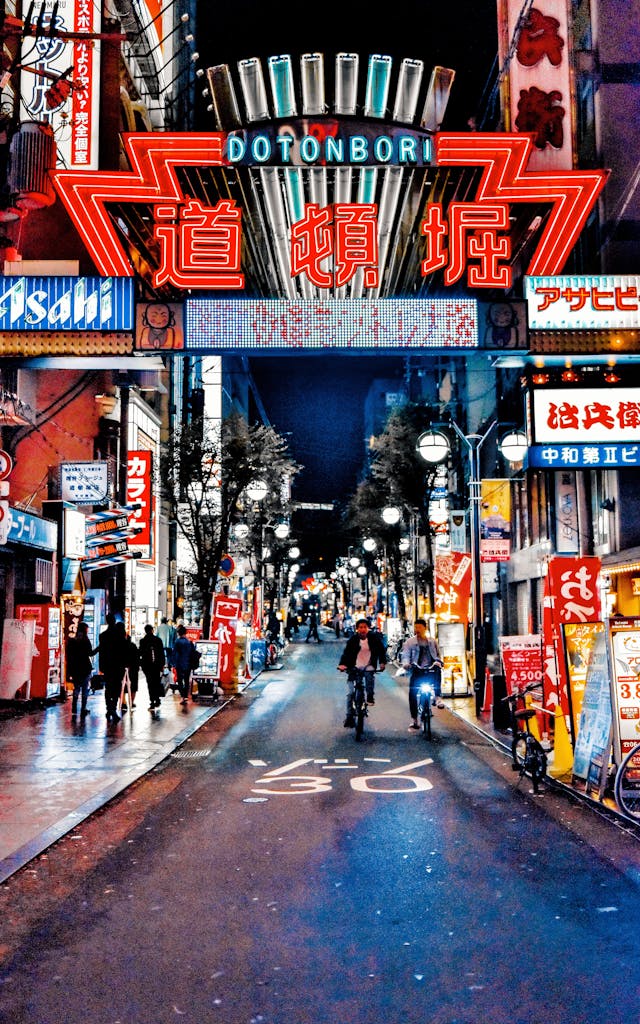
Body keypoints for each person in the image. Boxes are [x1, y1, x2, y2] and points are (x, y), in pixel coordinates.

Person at [338, 618, 387, 727]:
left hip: (368, 666)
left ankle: (370, 697)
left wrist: (382, 663)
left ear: (368, 628)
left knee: (369, 680)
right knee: (351, 693)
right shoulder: (353, 640)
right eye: (360, 627)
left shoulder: (374, 638)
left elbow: (381, 651)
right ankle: (349, 716)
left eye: (365, 627)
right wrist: (342, 665)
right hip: (354, 668)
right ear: (357, 629)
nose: (363, 629)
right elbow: (346, 653)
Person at [401, 618, 444, 731]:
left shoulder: (432, 641)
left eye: (420, 627)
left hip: (430, 669)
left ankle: (438, 697)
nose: (417, 629)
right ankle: (414, 719)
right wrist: (406, 664)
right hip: (417, 669)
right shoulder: (410, 642)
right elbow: (405, 655)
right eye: (416, 627)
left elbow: (438, 655)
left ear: (425, 628)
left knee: (437, 672)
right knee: (413, 694)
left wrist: (438, 662)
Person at [97, 616, 129, 723]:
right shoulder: (120, 634)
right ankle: (113, 708)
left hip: (107, 666)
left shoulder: (103, 635)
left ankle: (109, 709)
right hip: (118, 665)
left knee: (108, 688)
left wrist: (101, 666)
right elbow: (124, 650)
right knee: (116, 688)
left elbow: (101, 651)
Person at [66, 621, 95, 719]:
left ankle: (74, 708)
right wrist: (99, 648)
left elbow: (69, 655)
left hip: (75, 668)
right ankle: (83, 708)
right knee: (85, 688)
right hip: (85, 667)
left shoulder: (72, 641)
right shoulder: (85, 640)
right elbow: (90, 653)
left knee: (76, 687)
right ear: (85, 630)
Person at [139, 623, 166, 710]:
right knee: (156, 681)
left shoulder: (143, 641)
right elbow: (162, 653)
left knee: (150, 683)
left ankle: (152, 701)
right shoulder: (158, 640)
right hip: (156, 665)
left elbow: (141, 653)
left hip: (147, 666)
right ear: (152, 630)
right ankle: (157, 699)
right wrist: (162, 665)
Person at [172, 624, 196, 705]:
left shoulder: (177, 642)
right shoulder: (189, 642)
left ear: (178, 633)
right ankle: (185, 696)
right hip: (188, 664)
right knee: (186, 680)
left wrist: (173, 663)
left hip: (179, 664)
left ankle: (182, 696)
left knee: (179, 681)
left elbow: (174, 653)